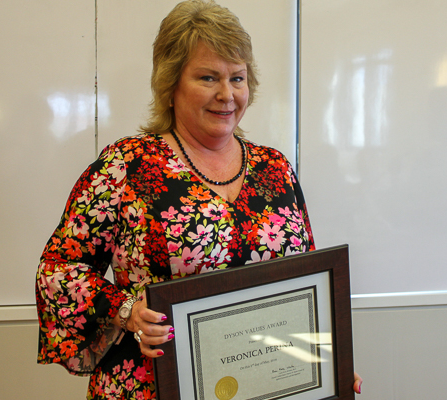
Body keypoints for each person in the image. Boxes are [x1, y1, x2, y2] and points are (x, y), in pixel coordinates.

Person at [35, 0, 362, 398]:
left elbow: (304, 284)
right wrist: (128, 310)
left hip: (264, 386)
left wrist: (327, 364)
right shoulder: (127, 167)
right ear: (171, 85)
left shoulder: (275, 168)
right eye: (208, 77)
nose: (227, 94)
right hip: (150, 387)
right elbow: (58, 270)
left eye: (237, 78)